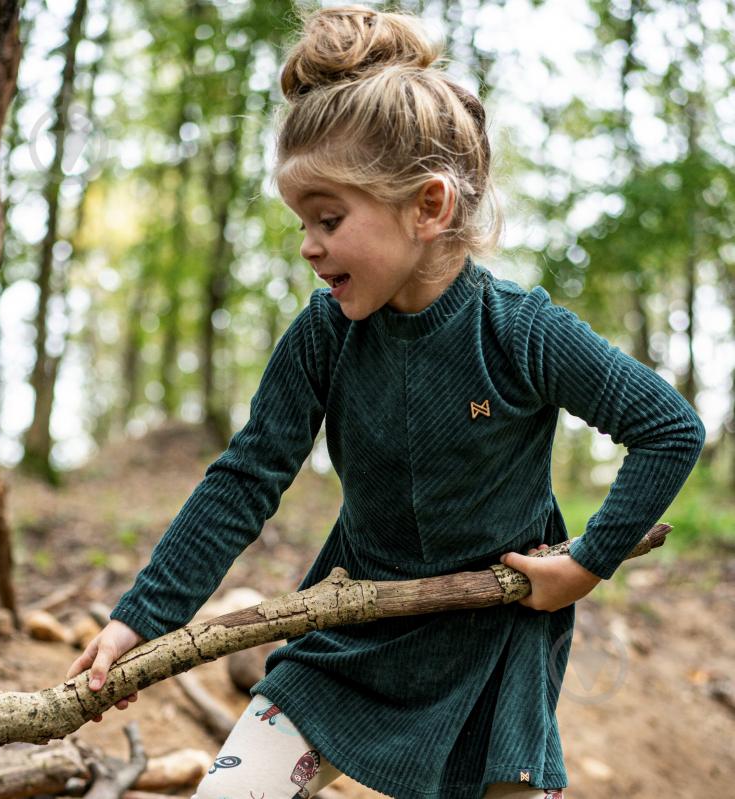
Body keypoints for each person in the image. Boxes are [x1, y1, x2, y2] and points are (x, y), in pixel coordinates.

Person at [66, 6, 706, 798]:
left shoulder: (518, 333)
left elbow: (669, 428)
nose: (307, 244)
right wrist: (139, 621)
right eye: (301, 221)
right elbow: (244, 479)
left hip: (492, 644)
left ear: (428, 207)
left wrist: (583, 563)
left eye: (328, 218)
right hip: (348, 629)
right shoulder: (323, 335)